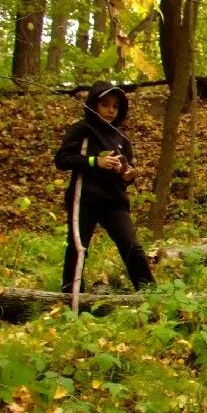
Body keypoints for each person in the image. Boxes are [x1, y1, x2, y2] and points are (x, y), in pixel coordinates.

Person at [56, 82, 154, 296]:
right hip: (85, 199)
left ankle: (150, 294)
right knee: (78, 248)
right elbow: (62, 159)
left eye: (115, 106)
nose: (110, 110)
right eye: (105, 104)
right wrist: (94, 162)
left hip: (114, 202)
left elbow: (125, 171)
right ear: (94, 105)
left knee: (132, 246)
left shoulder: (121, 138)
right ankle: (71, 297)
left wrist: (129, 175)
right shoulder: (82, 129)